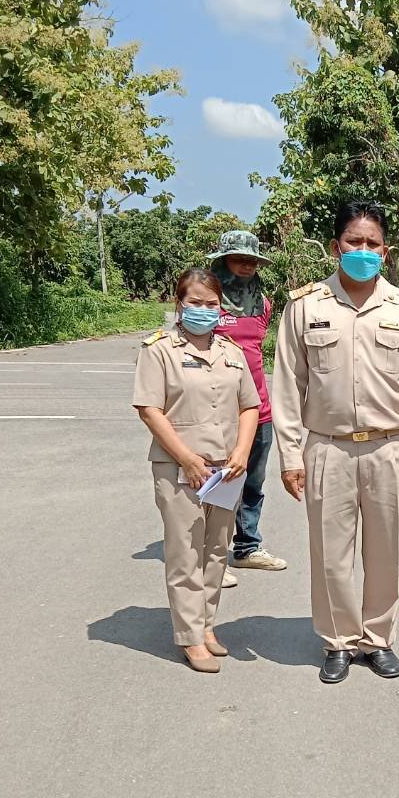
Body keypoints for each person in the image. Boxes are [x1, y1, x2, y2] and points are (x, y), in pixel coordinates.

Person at [272, 200, 399, 685]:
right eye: (354, 242)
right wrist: (290, 456)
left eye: (372, 244)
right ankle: (339, 641)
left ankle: (379, 638)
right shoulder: (305, 307)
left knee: (387, 550)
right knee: (331, 553)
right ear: (336, 246)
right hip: (327, 447)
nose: (362, 251)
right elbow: (288, 386)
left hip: (391, 446)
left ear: (385, 252)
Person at [132, 267, 260, 673]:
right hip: (179, 468)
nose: (203, 310)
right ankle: (189, 638)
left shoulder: (231, 352)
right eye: (195, 303)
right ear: (179, 304)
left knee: (217, 550)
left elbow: (250, 406)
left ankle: (206, 625)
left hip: (226, 470)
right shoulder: (159, 350)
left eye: (211, 304)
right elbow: (149, 410)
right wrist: (187, 458)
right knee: (186, 552)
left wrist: (241, 451)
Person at [206, 228, 287, 587]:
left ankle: (247, 547)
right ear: (223, 259)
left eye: (252, 260)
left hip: (259, 408)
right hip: (217, 411)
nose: (246, 265)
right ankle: (212, 556)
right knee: (218, 484)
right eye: (239, 258)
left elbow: (256, 350)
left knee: (253, 482)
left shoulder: (263, 304)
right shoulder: (205, 302)